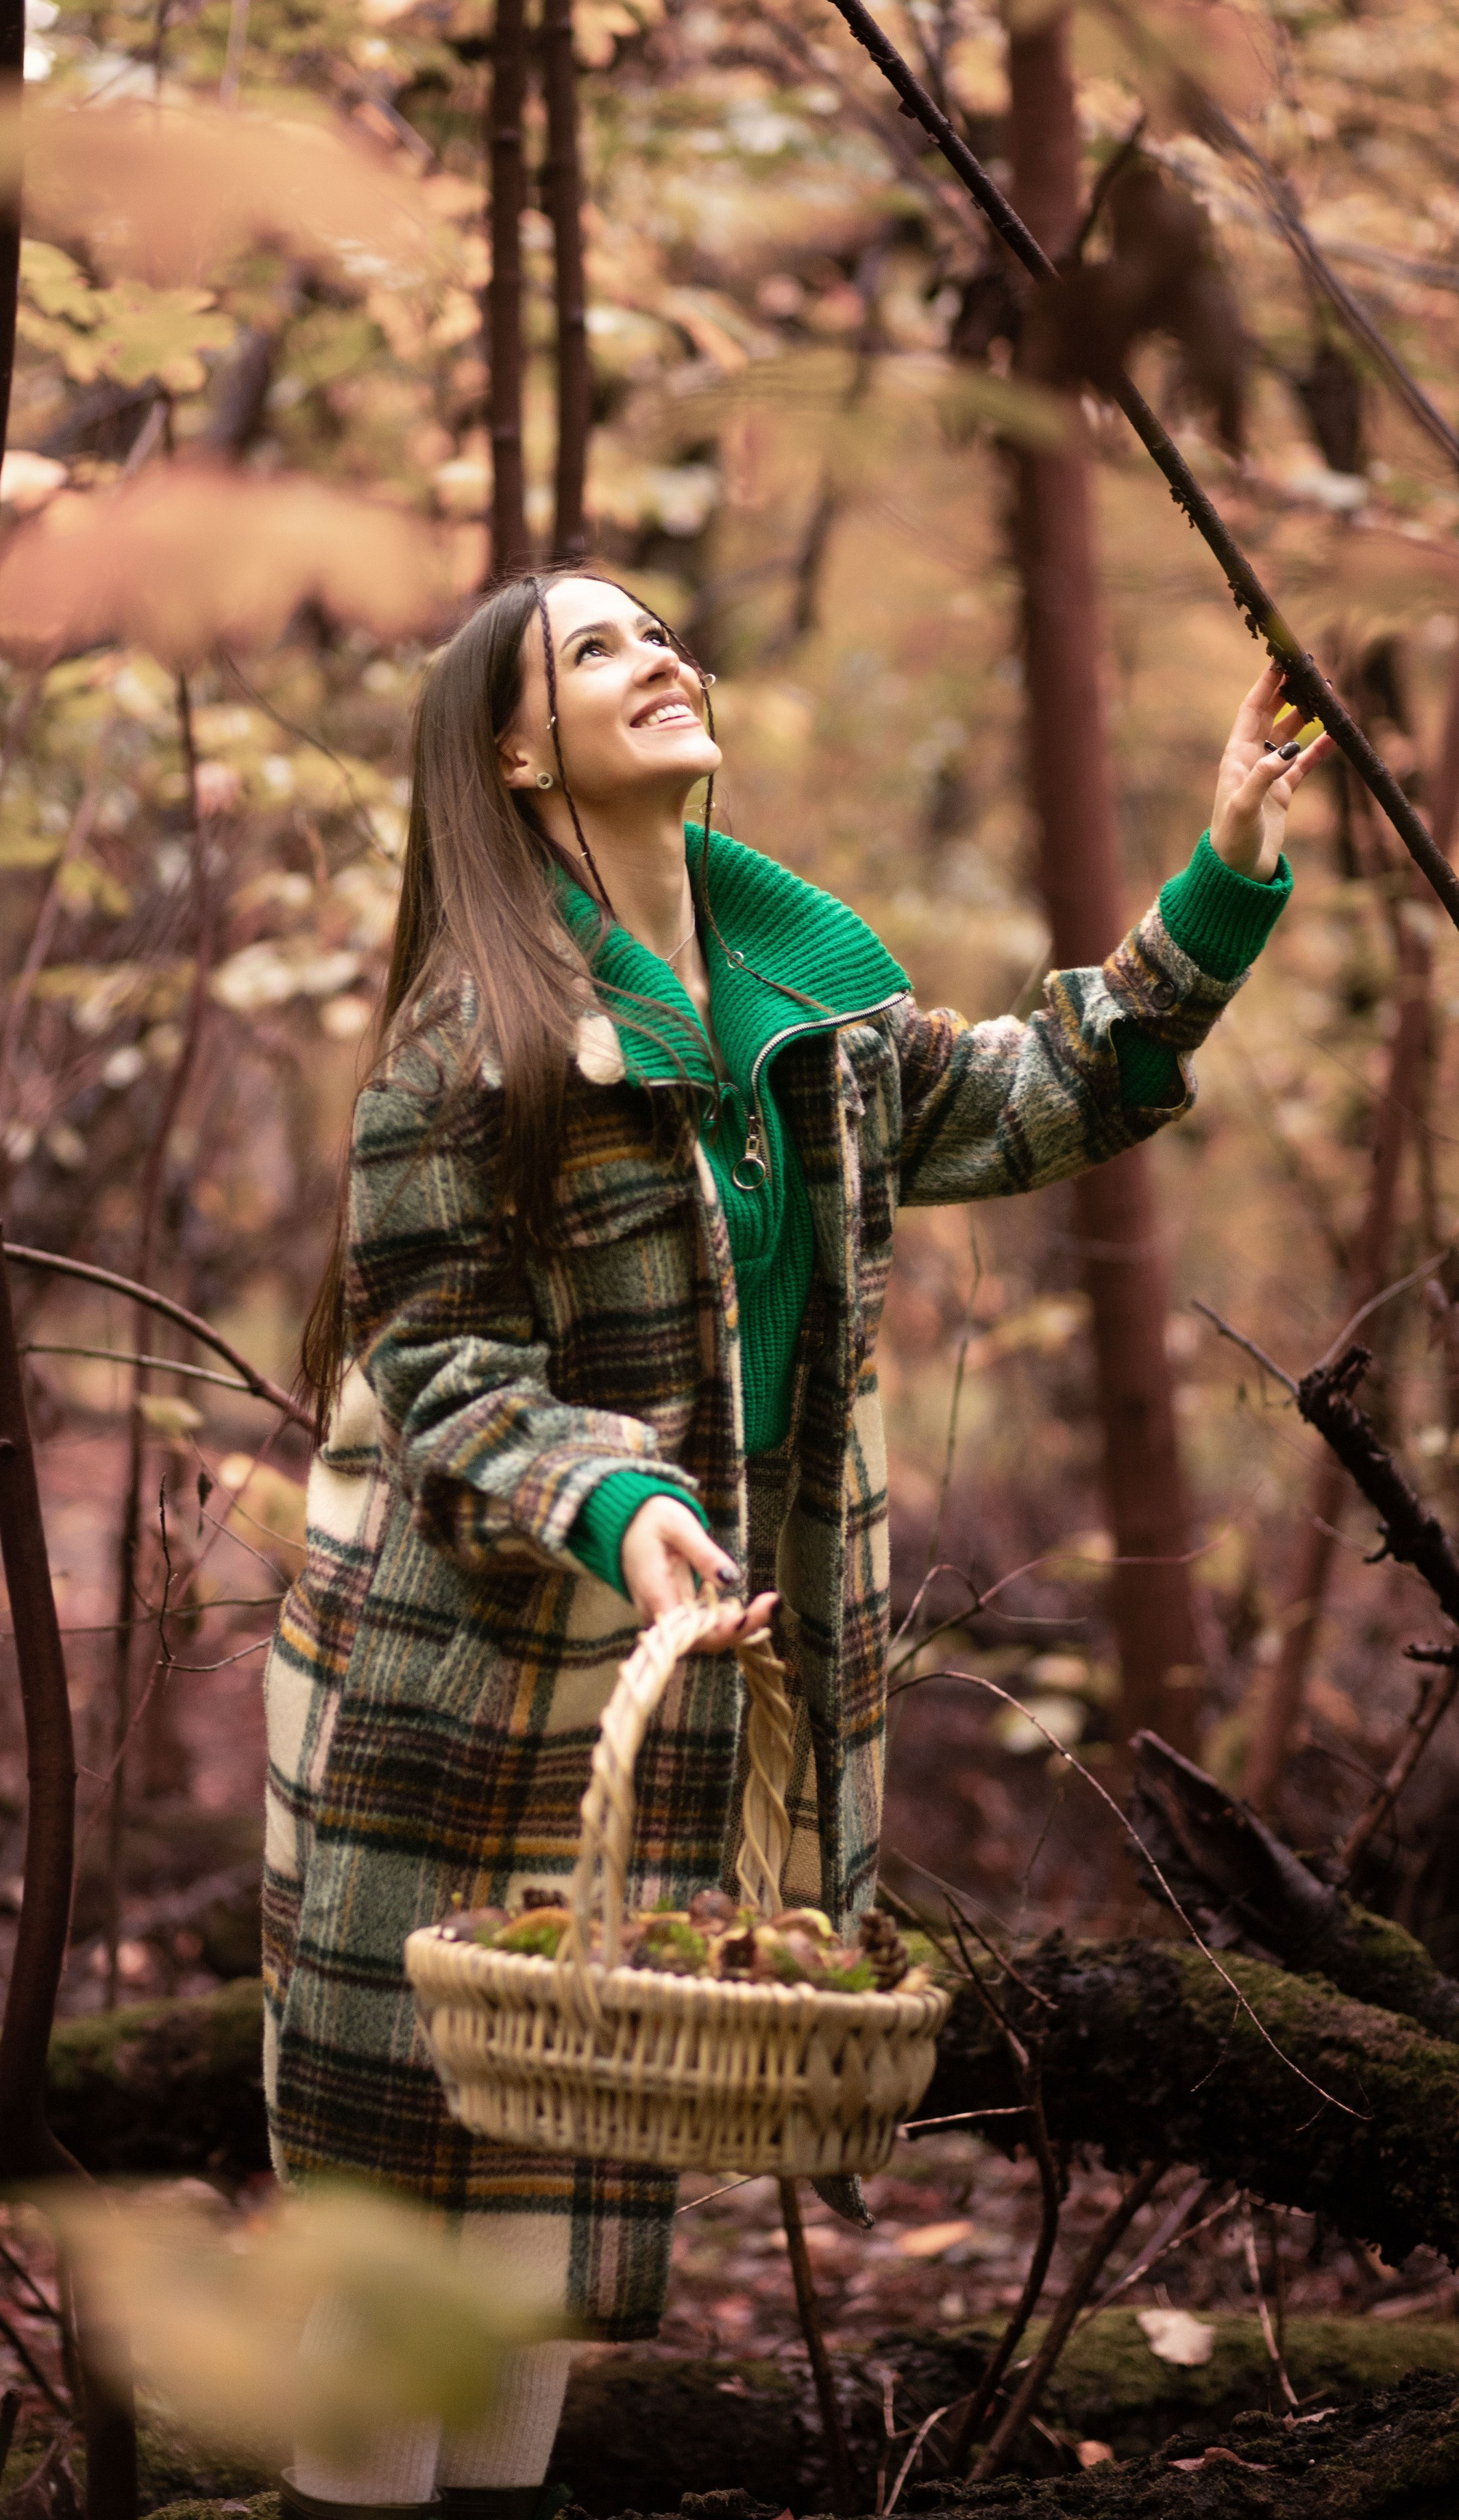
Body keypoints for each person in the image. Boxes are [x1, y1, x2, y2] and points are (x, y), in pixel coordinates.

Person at [265, 569, 1321, 2520]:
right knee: (398, 2214)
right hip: (481, 1669)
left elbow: (1034, 1096)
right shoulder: (467, 1042)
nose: (660, 656)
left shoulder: (807, 1016)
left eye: (661, 627)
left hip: (701, 1655)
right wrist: (618, 1491)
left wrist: (1226, 872)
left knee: (559, 2228)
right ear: (512, 751)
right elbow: (439, 1363)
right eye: (596, 649)